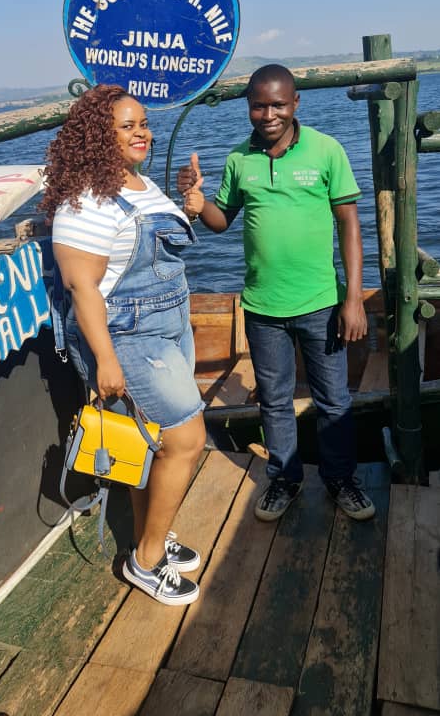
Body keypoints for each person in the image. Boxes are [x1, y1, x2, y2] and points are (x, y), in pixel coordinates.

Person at [178, 64, 375, 522]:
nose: (269, 115)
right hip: (262, 307)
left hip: (321, 304)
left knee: (334, 400)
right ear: (249, 107)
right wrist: (198, 204)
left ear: (295, 103)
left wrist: (352, 300)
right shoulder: (238, 159)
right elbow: (222, 220)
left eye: (278, 105)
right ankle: (284, 480)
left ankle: (341, 479)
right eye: (259, 106)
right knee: (274, 400)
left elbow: (349, 224)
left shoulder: (326, 150)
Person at [40, 83, 206, 605]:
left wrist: (188, 206)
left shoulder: (138, 183)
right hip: (127, 334)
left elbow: (147, 246)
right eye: (127, 126)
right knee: (186, 440)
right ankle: (146, 561)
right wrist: (106, 360)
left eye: (144, 124)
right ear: (97, 135)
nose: (142, 133)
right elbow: (81, 287)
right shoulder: (85, 201)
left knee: (150, 439)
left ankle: (147, 534)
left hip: (169, 322)